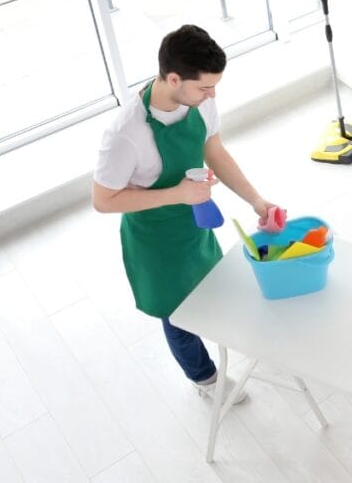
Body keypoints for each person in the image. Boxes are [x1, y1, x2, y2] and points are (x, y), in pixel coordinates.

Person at [92, 24, 279, 399]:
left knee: (210, 287)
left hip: (195, 220)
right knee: (177, 314)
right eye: (205, 87)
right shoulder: (125, 134)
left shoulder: (200, 102)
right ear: (174, 78)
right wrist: (178, 193)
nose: (213, 94)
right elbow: (103, 200)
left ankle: (232, 340)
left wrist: (258, 201)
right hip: (155, 238)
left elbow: (215, 153)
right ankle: (205, 379)